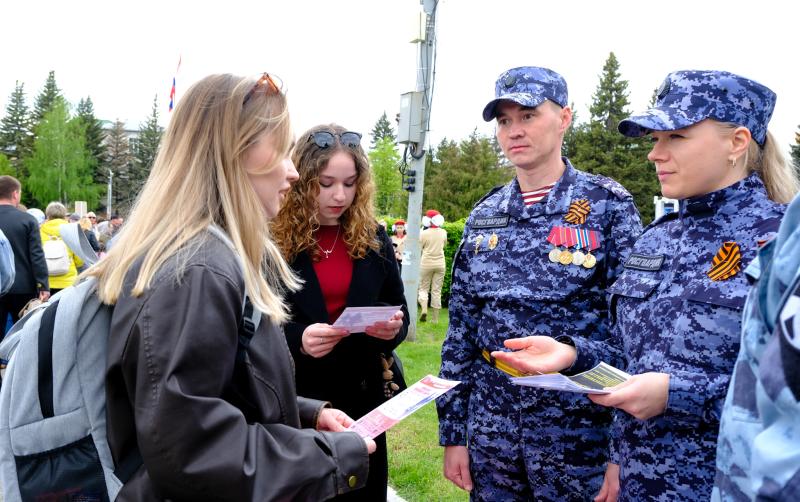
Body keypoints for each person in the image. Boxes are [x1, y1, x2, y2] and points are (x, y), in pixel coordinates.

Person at [492, 70, 798, 501]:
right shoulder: (657, 238)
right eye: (654, 139)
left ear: (737, 142)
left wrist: (677, 395)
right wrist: (575, 355)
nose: (655, 154)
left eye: (675, 137)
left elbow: (786, 392)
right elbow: (632, 358)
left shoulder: (784, 245)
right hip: (639, 481)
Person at [86, 74, 373, 500]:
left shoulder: (199, 254)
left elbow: (222, 391)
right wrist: (329, 455)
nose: (293, 171)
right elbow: (191, 451)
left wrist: (306, 416)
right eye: (279, 148)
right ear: (232, 153)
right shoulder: (198, 268)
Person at [436, 66, 642, 501]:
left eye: (528, 116)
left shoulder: (607, 206)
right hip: (494, 433)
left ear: (564, 118)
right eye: (505, 120)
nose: (514, 131)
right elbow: (461, 334)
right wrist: (454, 432)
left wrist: (619, 453)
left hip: (578, 433)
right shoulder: (485, 215)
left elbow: (633, 338)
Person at [271, 123, 409, 502]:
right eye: (326, 182)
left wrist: (391, 328)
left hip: (363, 398)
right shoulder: (273, 239)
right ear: (301, 180)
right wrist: (298, 338)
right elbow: (254, 321)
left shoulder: (373, 235)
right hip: (302, 401)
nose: (339, 195)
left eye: (349, 183)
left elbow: (399, 311)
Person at [713, 203, 800, 499]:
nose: (653, 155)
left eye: (673, 151)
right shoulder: (790, 234)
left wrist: (677, 392)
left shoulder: (769, 226)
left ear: (736, 151)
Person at [0, 176, 49, 335]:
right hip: (23, 287)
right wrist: (43, 285)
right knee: (22, 334)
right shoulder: (27, 220)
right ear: (15, 194)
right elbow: (36, 255)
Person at [40, 202, 84, 293]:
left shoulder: (39, 231)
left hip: (46, 283)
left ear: (48, 215)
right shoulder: (71, 231)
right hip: (68, 281)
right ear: (64, 215)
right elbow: (79, 261)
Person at [418, 209, 447, 323]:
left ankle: (424, 309)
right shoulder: (443, 232)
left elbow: (420, 248)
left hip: (426, 263)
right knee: (436, 290)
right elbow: (443, 246)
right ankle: (435, 319)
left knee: (423, 288)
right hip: (440, 263)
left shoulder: (423, 233)